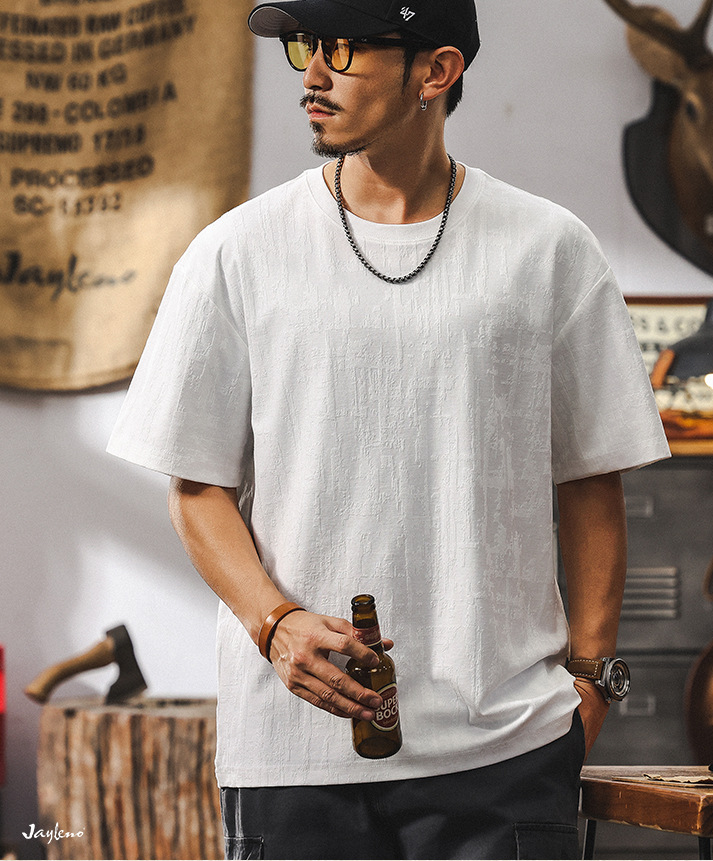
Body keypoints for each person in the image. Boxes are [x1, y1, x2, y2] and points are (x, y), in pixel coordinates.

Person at [107, 0, 670, 857]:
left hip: (505, 747)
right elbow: (195, 487)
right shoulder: (237, 252)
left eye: (343, 49)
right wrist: (274, 623)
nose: (312, 74)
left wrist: (590, 686)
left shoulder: (549, 249)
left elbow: (592, 478)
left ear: (435, 71)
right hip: (294, 751)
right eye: (307, 47)